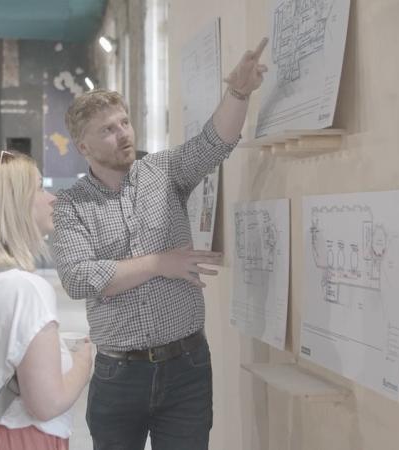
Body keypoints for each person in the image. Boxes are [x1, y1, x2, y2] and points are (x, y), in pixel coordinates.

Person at [51, 38, 269, 450]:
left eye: (125, 123)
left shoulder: (164, 171)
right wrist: (158, 263)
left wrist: (239, 92)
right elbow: (79, 279)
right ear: (83, 147)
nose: (123, 134)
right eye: (108, 130)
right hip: (119, 377)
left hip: (186, 367)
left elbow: (214, 143)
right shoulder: (71, 206)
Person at [0, 149, 94, 450]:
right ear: (15, 206)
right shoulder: (26, 290)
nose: (51, 198)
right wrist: (83, 363)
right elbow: (46, 402)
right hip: (23, 439)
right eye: (40, 188)